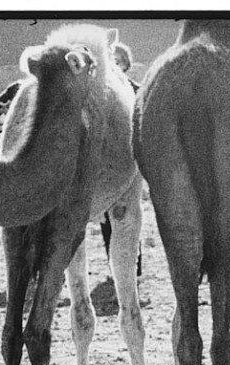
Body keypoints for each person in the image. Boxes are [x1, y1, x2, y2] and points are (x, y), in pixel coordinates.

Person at [98, 42, 142, 278]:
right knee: (107, 217)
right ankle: (114, 267)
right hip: (108, 163)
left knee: (128, 215)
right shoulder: (102, 94)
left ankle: (133, 269)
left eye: (117, 60)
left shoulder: (136, 90)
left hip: (132, 160)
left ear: (125, 64)